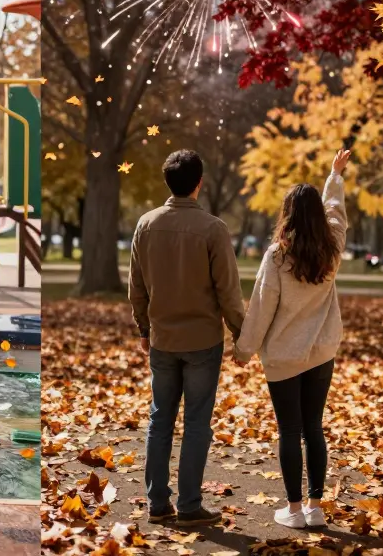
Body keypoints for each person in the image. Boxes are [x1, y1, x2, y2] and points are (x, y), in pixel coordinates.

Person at [233, 150, 351, 530]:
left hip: (283, 357)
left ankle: (295, 510)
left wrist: (244, 350)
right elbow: (337, 212)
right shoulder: (331, 249)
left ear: (286, 214)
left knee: (290, 430)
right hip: (320, 352)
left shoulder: (277, 256)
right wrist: (334, 176)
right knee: (313, 428)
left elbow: (262, 308)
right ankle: (316, 507)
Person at [130, 150, 246, 527]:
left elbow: (136, 287)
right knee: (197, 423)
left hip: (162, 339)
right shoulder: (213, 229)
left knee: (160, 420)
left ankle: (157, 503)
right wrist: (242, 333)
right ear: (199, 182)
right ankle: (190, 504)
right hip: (201, 342)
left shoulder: (146, 225)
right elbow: (228, 291)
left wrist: (144, 330)